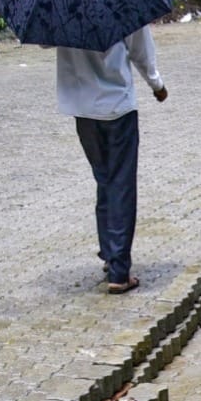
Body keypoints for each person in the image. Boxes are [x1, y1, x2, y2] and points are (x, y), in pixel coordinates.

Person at [58, 25, 168, 294]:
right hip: (117, 106)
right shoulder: (122, 3)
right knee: (121, 184)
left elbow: (45, 44)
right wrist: (157, 85)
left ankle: (109, 252)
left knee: (104, 178)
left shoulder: (64, 8)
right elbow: (142, 51)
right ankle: (119, 270)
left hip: (82, 108)